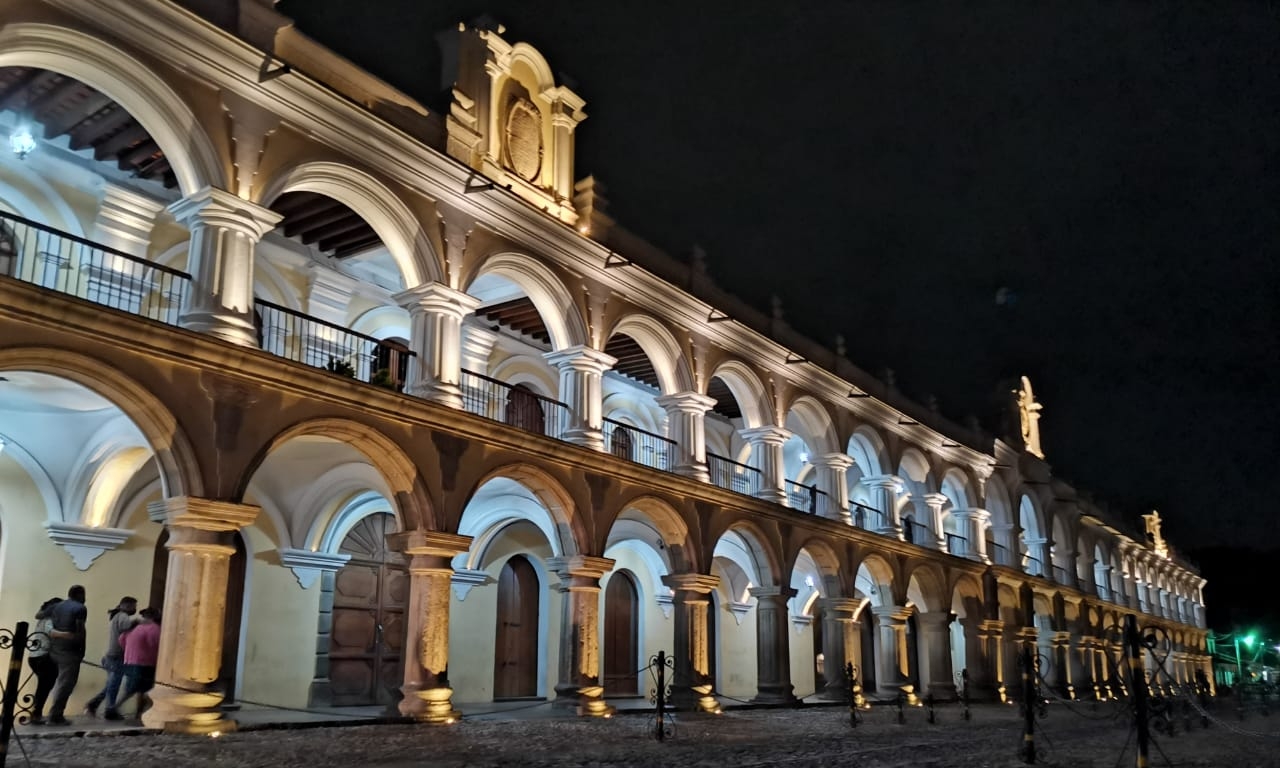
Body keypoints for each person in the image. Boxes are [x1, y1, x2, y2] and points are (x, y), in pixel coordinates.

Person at [84, 596, 138, 720]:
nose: (135, 609)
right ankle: (109, 709)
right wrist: (138, 623)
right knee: (114, 684)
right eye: (134, 606)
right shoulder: (122, 616)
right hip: (116, 656)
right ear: (126, 606)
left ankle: (94, 704)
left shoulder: (117, 616)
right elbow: (126, 627)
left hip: (111, 656)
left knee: (111, 683)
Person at [46, 585, 87, 726]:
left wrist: (55, 632)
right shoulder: (80, 608)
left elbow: (40, 615)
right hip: (70, 651)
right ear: (80, 594)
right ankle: (55, 715)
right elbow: (80, 631)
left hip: (55, 649)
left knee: (60, 682)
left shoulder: (57, 606)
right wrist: (81, 650)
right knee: (67, 683)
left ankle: (53, 713)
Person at [118, 607, 161, 720]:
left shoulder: (134, 627)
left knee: (133, 688)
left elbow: (121, 640)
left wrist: (129, 651)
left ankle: (137, 712)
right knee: (143, 689)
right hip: (146, 662)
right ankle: (117, 707)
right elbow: (156, 645)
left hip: (130, 661)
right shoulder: (155, 629)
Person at [26, 597, 62, 725]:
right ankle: (36, 714)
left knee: (43, 686)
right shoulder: (49, 620)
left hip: (34, 656)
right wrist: (68, 635)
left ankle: (36, 713)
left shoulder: (41, 619)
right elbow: (51, 633)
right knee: (44, 686)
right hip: (44, 657)